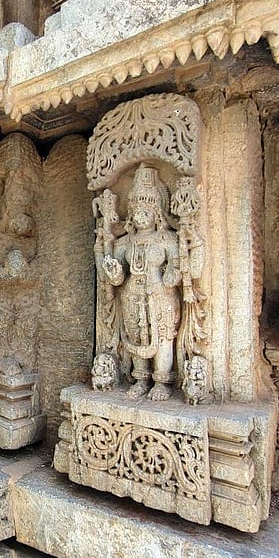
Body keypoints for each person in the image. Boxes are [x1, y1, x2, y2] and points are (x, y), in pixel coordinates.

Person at [99, 165, 180, 401]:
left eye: (146, 210)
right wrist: (113, 271)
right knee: (136, 335)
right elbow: (117, 277)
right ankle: (142, 378)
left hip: (160, 295)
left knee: (162, 336)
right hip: (132, 294)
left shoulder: (167, 239)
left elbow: (178, 267)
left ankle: (162, 382)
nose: (140, 215)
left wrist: (174, 273)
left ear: (157, 212)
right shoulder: (124, 242)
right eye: (136, 210)